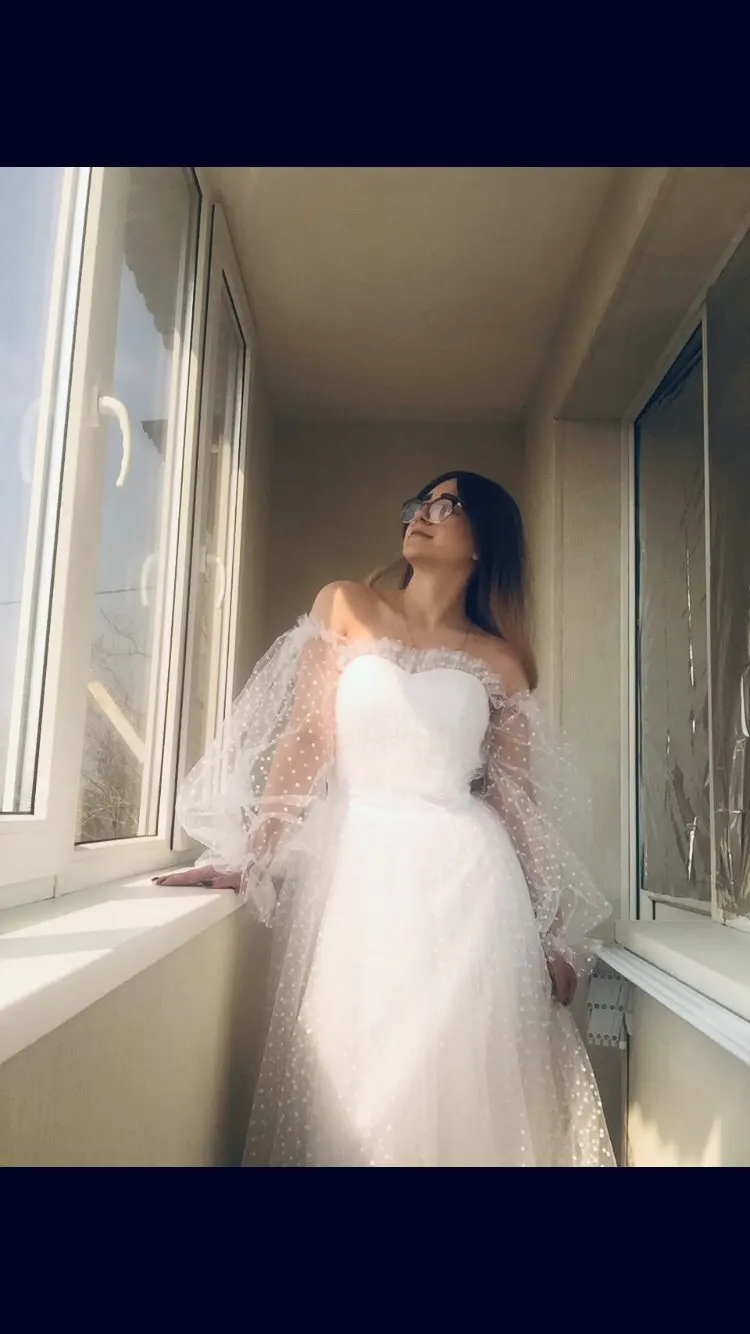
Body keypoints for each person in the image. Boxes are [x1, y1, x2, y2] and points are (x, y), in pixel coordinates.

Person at [157, 471, 615, 1167]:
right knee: (361, 1077)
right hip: (363, 877)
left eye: (445, 505)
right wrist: (252, 854)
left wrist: (553, 928)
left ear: (483, 541)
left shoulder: (501, 660)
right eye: (418, 504)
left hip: (473, 891)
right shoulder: (346, 604)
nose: (421, 515)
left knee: (466, 1074)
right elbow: (307, 739)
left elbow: (515, 801)